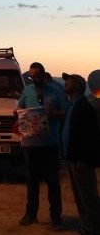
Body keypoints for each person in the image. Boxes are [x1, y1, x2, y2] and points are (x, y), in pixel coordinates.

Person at [16, 61, 67, 228]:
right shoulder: (27, 90)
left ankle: (56, 216)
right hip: (30, 144)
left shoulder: (56, 91)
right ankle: (31, 214)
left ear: (43, 74)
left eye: (36, 76)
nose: (33, 79)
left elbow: (64, 112)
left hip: (50, 144)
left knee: (52, 181)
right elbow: (19, 107)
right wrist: (18, 112)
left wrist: (53, 113)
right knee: (31, 181)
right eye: (31, 76)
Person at [62, 72, 100, 235]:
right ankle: (87, 227)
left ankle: (94, 228)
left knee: (88, 196)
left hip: (81, 159)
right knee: (81, 196)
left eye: (69, 81)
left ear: (78, 85)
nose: (66, 83)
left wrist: (82, 159)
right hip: (73, 157)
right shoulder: (73, 105)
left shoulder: (83, 106)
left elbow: (88, 135)